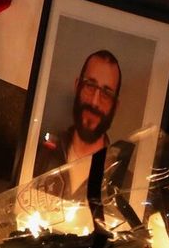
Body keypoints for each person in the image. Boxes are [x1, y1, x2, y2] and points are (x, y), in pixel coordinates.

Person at [35, 48, 123, 177]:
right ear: (77, 86)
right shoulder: (41, 155)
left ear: (115, 106)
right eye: (90, 86)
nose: (94, 102)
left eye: (106, 93)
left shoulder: (121, 179)